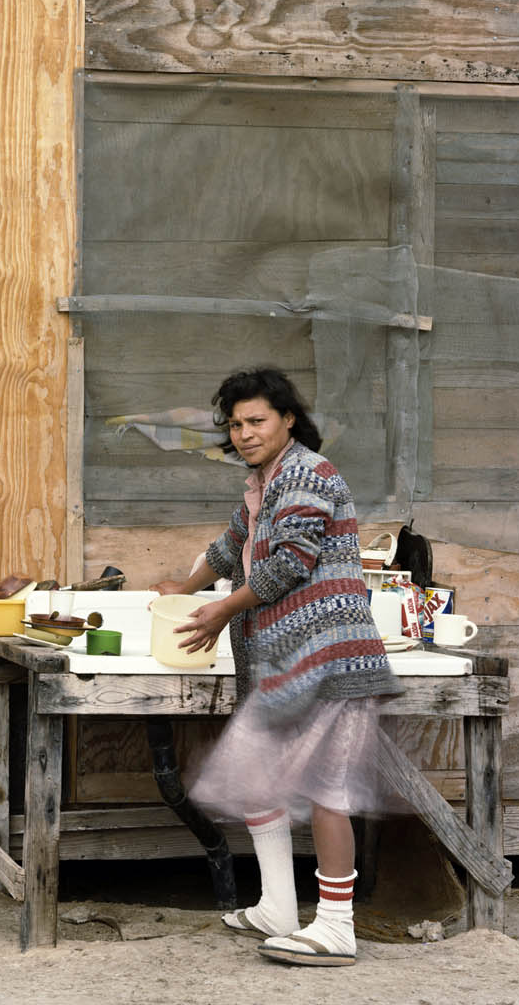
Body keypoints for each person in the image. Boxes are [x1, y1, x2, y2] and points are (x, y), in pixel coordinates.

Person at [151, 367, 401, 968]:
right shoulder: (263, 483)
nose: (244, 433)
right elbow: (229, 546)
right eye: (236, 424)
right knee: (258, 775)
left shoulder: (308, 474)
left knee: (326, 789)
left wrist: (220, 610)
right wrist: (184, 588)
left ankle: (336, 925)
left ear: (288, 420)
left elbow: (288, 563)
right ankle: (278, 909)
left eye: (256, 420)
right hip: (287, 663)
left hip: (327, 656)